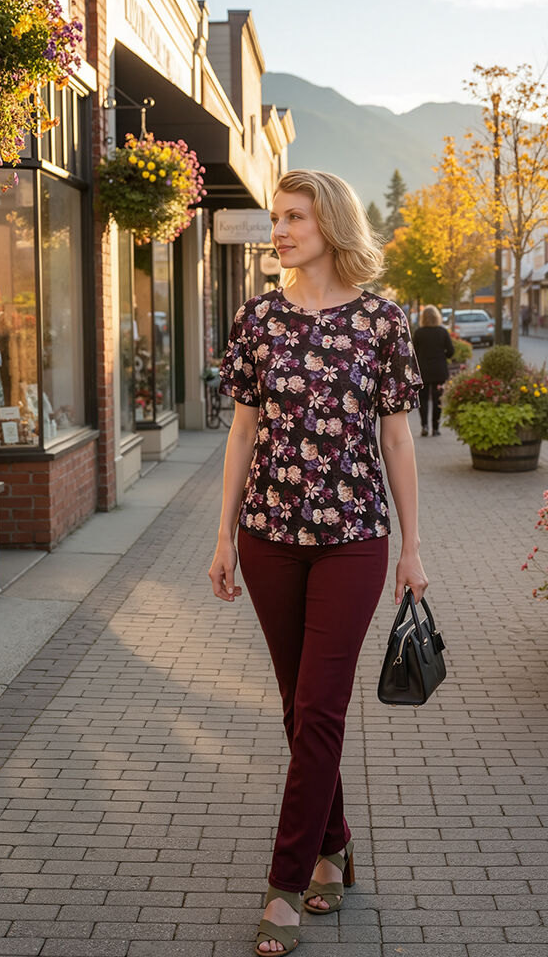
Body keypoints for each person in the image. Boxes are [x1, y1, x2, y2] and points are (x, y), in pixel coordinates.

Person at [207, 169, 427, 956]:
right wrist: (224, 535)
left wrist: (413, 547)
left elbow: (397, 438)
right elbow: (241, 432)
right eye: (275, 216)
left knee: (322, 707)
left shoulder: (381, 321)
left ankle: (285, 883)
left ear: (330, 223)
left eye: (294, 216)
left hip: (354, 540)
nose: (280, 229)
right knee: (301, 710)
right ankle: (333, 846)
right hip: (268, 537)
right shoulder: (258, 316)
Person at [412, 305, 454, 437]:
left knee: (423, 399)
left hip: (423, 371)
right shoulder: (442, 332)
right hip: (439, 371)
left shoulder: (419, 333)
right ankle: (435, 428)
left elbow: (413, 353)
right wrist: (443, 357)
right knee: (438, 399)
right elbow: (451, 351)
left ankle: (424, 425)